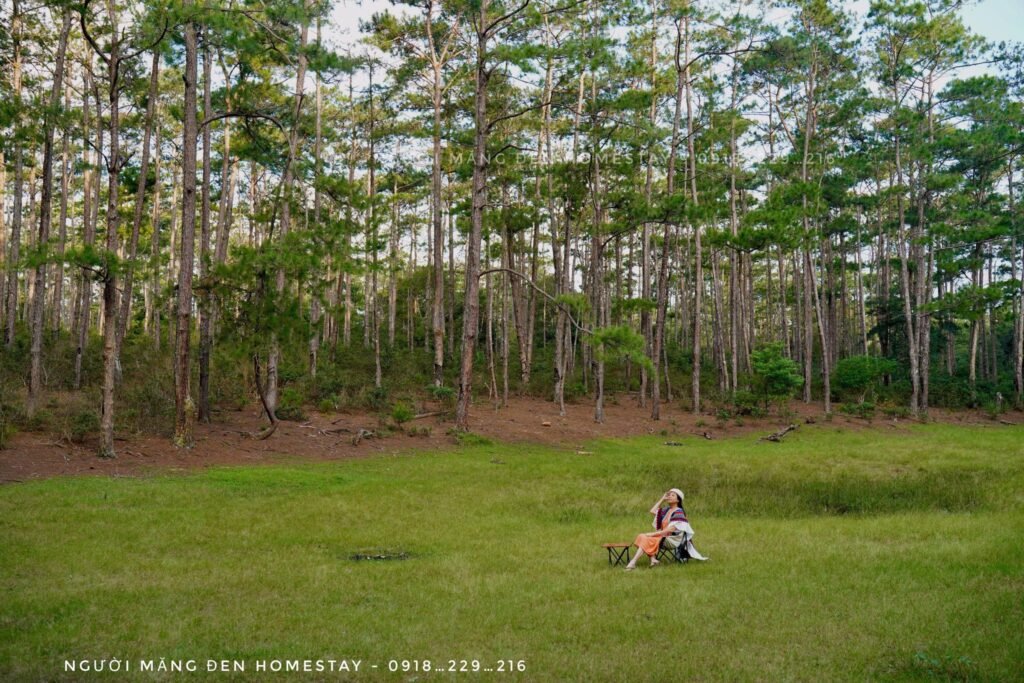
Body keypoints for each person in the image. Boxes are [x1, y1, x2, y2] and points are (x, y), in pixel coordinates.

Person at [625, 488, 708, 570]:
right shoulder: (666, 510)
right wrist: (662, 499)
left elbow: (670, 529)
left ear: (678, 500)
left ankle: (633, 562)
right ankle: (652, 560)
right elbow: (653, 510)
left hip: (671, 539)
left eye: (673, 495)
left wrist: (653, 534)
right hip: (662, 536)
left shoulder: (679, 512)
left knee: (646, 538)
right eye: (669, 495)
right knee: (642, 536)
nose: (669, 496)